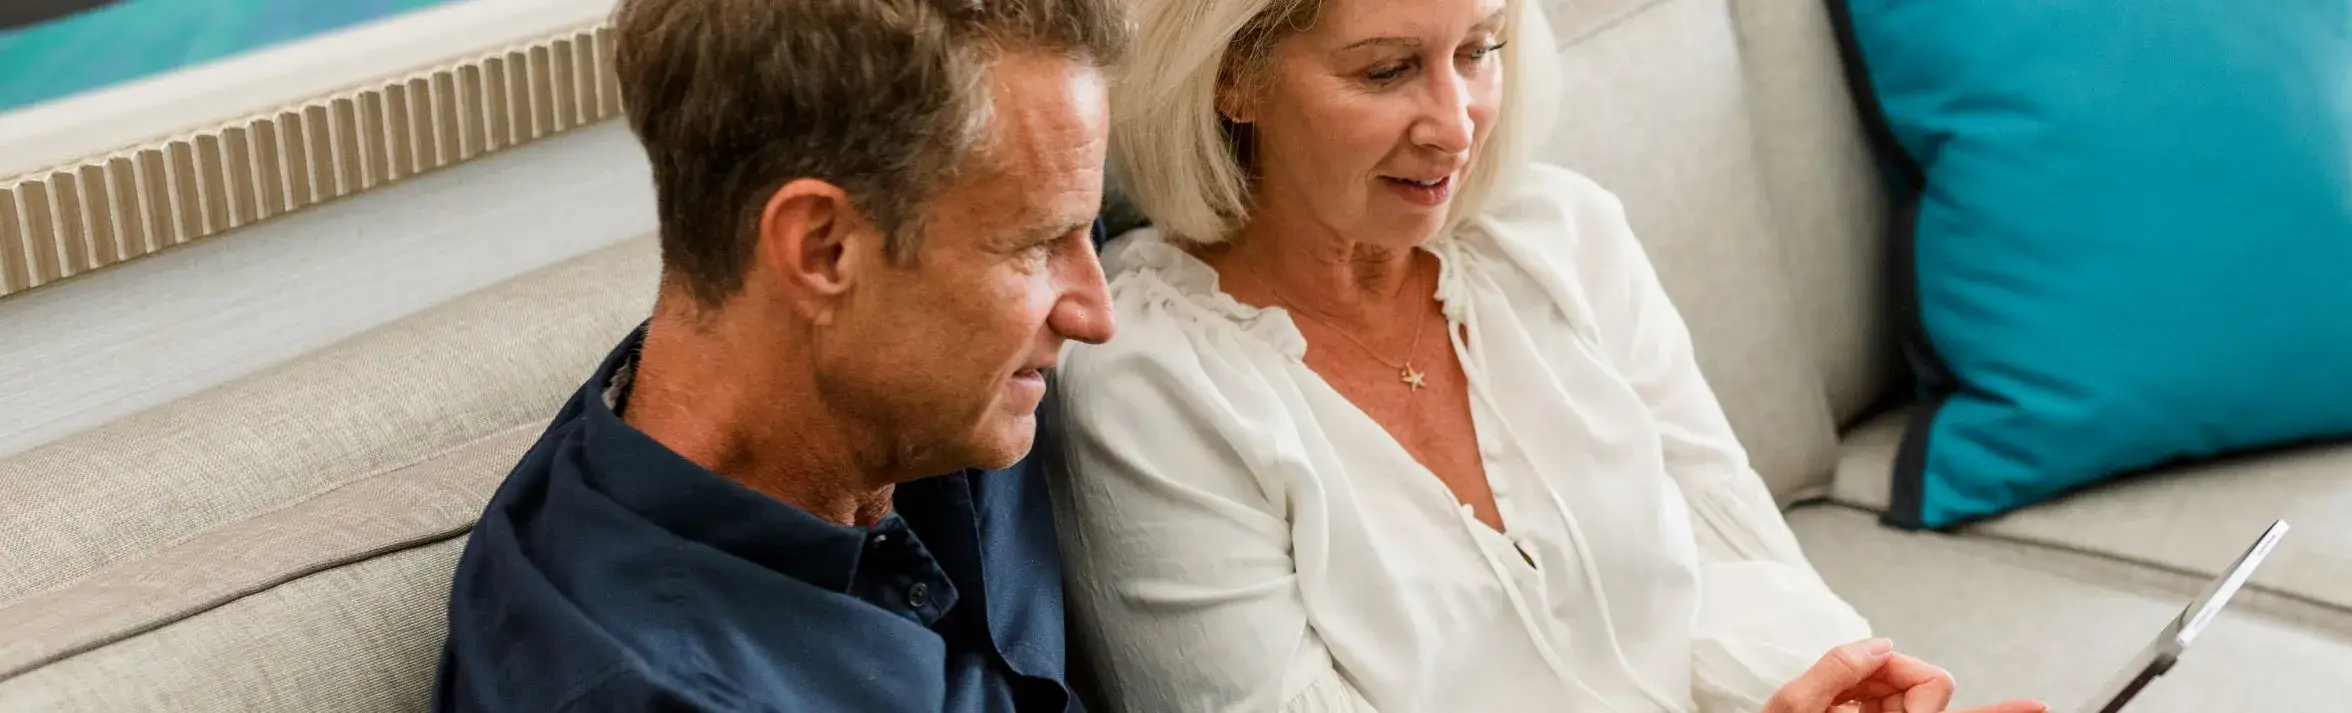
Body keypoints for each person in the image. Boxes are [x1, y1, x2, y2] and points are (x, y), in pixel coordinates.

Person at [1050, 0, 2047, 711]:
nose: (1454, 125)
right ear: (1234, 76)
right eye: (1386, 69)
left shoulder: (1562, 237)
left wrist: (1837, 685)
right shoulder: (1146, 383)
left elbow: (1737, 554)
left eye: (1478, 50)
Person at [432, 0, 1119, 709]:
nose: (1097, 316)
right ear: (821, 251)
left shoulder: (898, 364)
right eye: (1038, 246)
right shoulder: (644, 684)